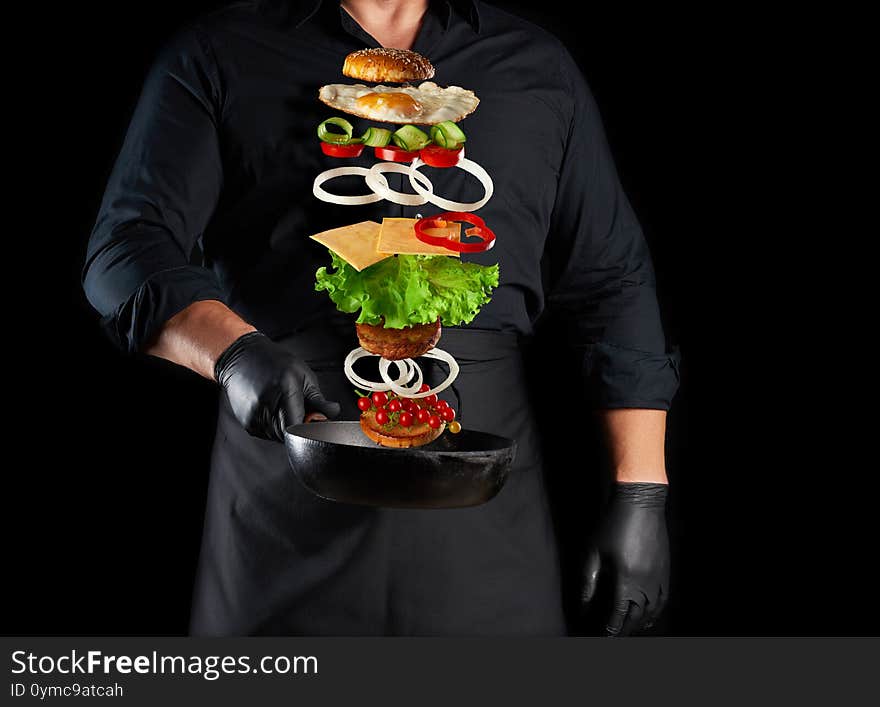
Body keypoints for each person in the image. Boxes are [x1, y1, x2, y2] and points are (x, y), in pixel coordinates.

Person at [83, 0, 680, 636]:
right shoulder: (216, 52)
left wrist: (640, 492)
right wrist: (232, 353)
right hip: (282, 473)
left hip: (484, 496)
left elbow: (611, 281)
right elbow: (126, 249)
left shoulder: (536, 65)